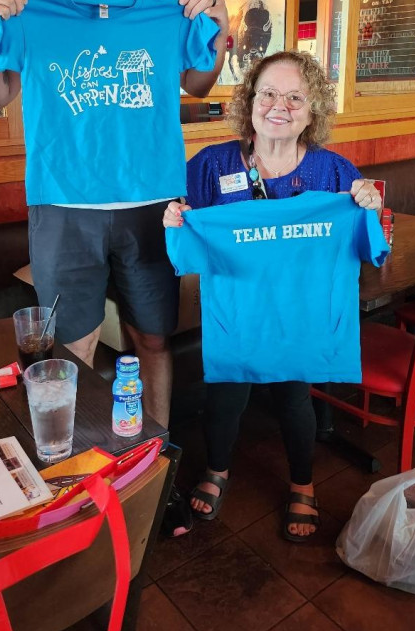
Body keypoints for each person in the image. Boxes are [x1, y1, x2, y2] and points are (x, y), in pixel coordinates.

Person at [0, 0, 228, 430]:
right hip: (64, 203)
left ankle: (158, 455)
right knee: (70, 351)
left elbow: (198, 85)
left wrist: (220, 24)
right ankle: (83, 466)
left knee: (154, 338)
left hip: (153, 199)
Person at [163, 49, 383, 541]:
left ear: (312, 109)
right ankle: (217, 470)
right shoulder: (211, 164)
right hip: (235, 312)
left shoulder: (334, 172)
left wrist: (368, 205)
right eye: (267, 93)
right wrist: (176, 217)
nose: (278, 106)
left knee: (293, 397)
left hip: (298, 315)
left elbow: (368, 246)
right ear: (249, 101)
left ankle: (303, 483)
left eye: (294, 97)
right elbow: (185, 223)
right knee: (225, 395)